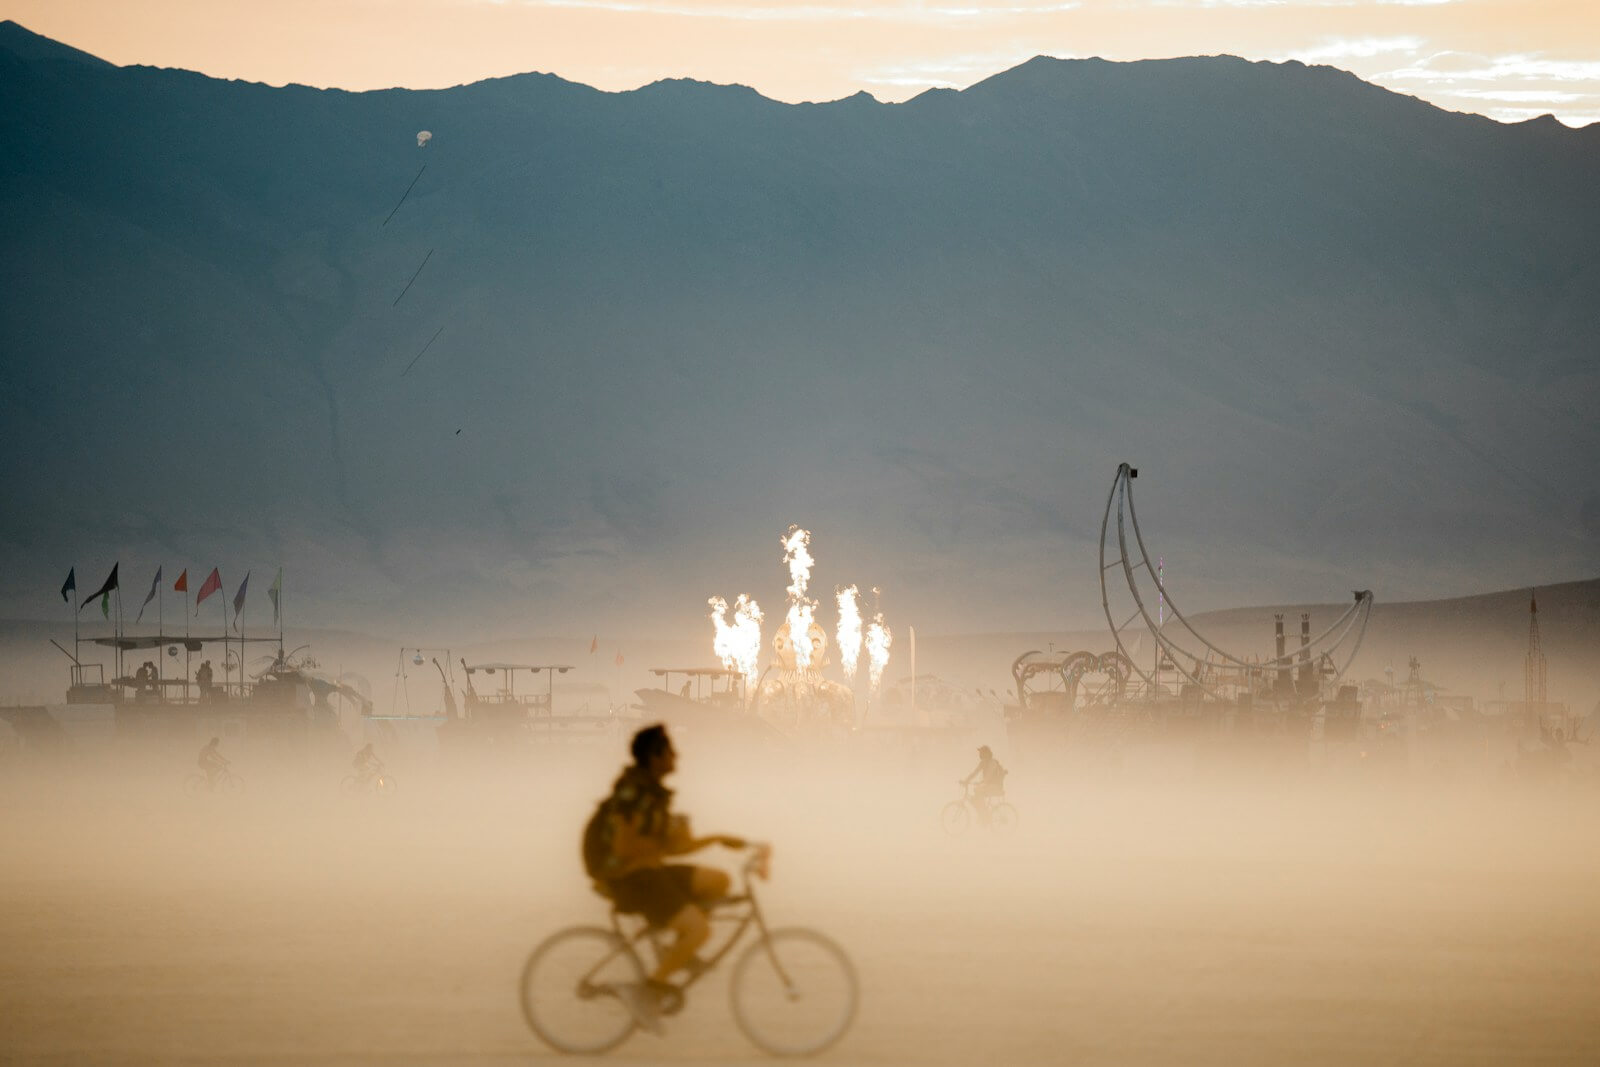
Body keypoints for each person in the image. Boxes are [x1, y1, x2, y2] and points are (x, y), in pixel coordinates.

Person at [588, 723, 745, 1032]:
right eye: (670, 750)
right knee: (700, 931)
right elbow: (624, 846)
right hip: (628, 877)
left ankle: (677, 947)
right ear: (655, 757)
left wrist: (719, 838)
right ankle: (646, 992)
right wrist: (663, 841)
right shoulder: (634, 791)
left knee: (719, 882)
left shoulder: (654, 792)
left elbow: (675, 847)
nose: (676, 755)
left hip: (648, 868)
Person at [961, 744, 1007, 824]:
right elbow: (974, 773)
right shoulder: (983, 763)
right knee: (976, 796)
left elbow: (988, 776)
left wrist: (981, 782)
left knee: (977, 792)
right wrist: (966, 780)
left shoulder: (992, 762)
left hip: (996, 786)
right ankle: (983, 814)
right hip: (989, 786)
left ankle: (985, 815)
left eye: (981, 753)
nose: (980, 754)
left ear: (986, 754)